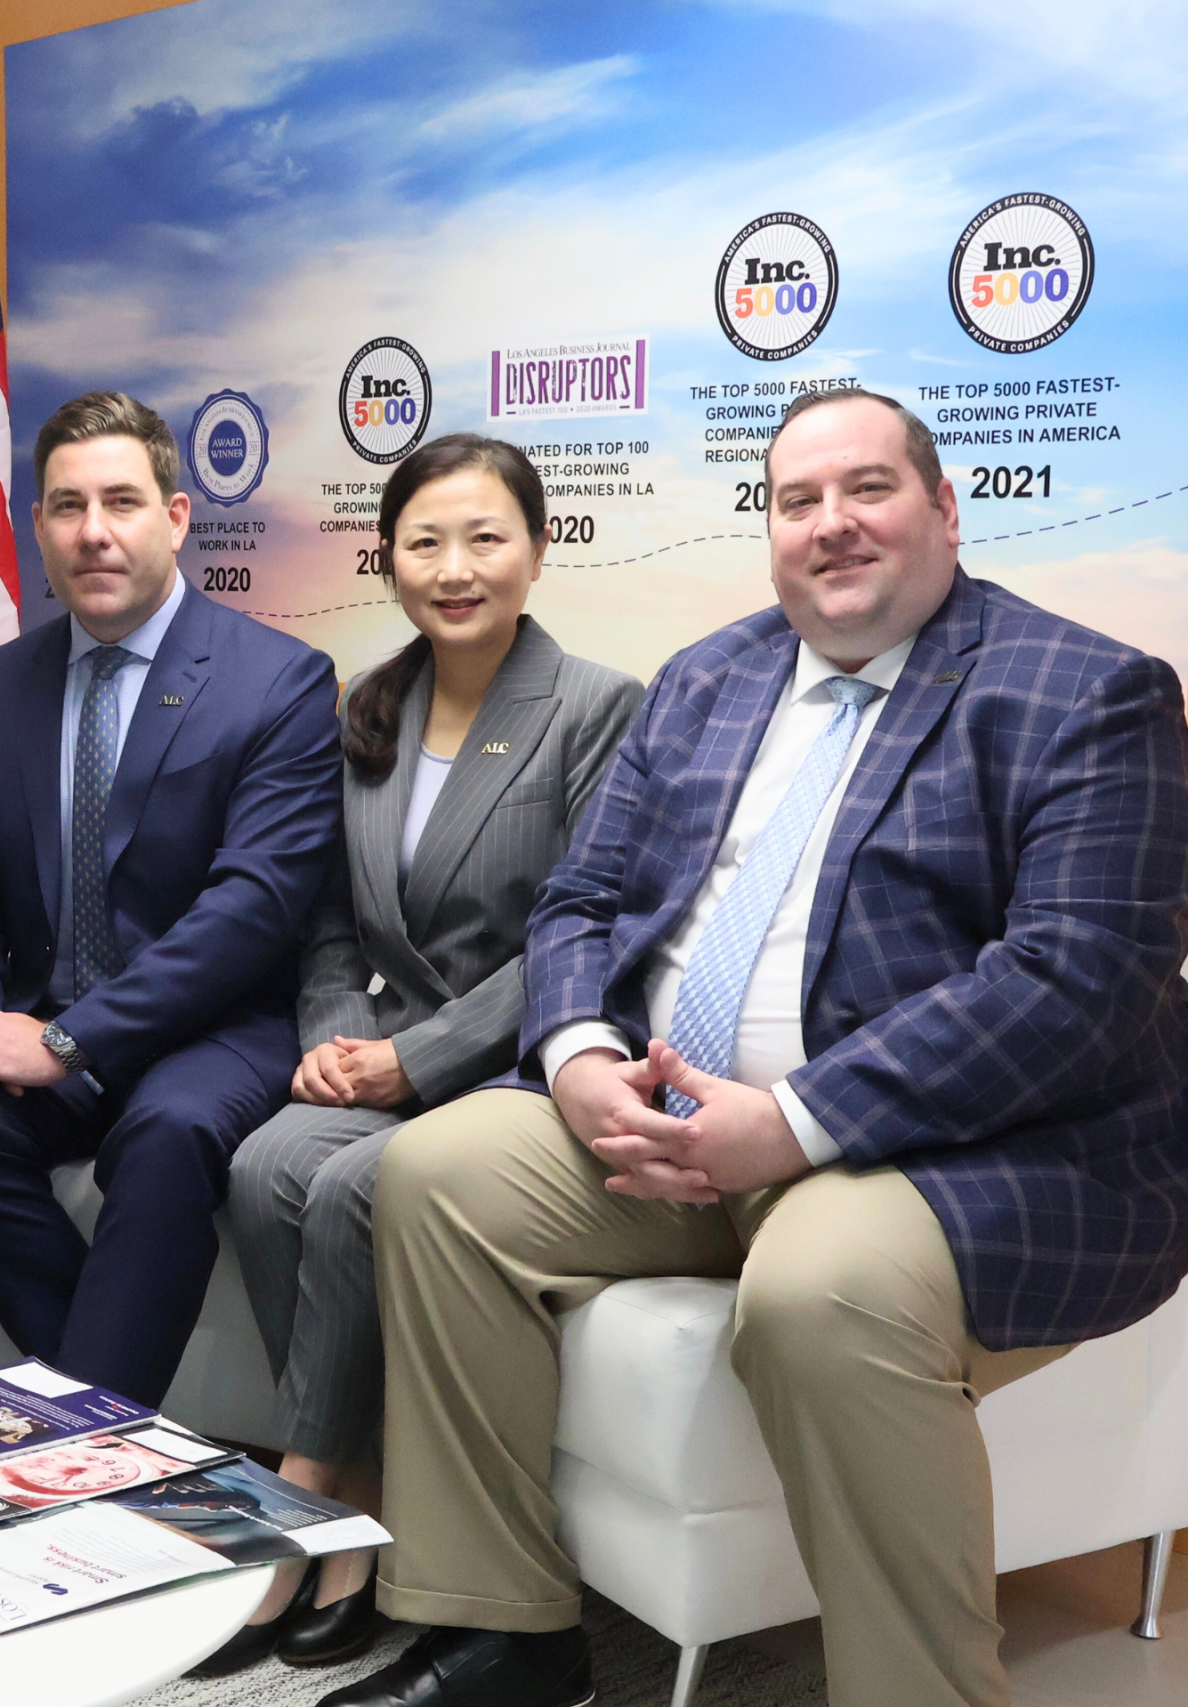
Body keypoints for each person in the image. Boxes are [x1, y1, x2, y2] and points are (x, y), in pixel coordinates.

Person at [330, 389, 1188, 1707]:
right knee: (437, 1173)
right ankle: (506, 1628)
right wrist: (574, 1057)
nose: (830, 525)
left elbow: (1078, 984)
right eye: (797, 501)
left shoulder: (1089, 691)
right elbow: (580, 901)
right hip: (670, 1110)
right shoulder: (707, 678)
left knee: (819, 1292)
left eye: (868, 491)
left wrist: (789, 1121)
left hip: (947, 1153)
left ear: (946, 510)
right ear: (771, 529)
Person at [197, 436, 642, 1677]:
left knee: (348, 1184)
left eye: (485, 538)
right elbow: (330, 917)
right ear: (385, 555)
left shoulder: (601, 708)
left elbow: (583, 930)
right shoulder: (369, 704)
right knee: (265, 1161)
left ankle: (306, 1515)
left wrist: (416, 1062)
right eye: (424, 541)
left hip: (520, 1064)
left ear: (539, 550)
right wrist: (341, 1041)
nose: (454, 568)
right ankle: (364, 1488)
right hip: (383, 1051)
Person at [0, 390, 343, 1408]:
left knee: (167, 1132)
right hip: (43, 1017)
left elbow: (251, 908)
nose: (92, 533)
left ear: (176, 517)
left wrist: (64, 1044)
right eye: (65, 507)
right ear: (39, 527)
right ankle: (112, 1423)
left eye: (120, 502)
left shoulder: (275, 683)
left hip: (214, 1027)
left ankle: (83, 1451)